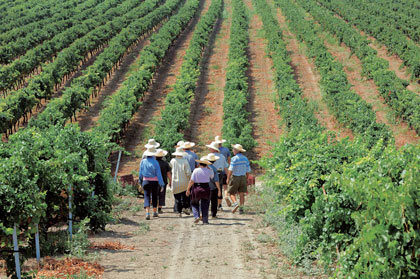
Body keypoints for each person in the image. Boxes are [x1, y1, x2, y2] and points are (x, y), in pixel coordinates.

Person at [139, 147, 165, 220]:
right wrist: (162, 184)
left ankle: (147, 213)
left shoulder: (143, 162)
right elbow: (159, 174)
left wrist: (140, 181)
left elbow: (140, 173)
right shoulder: (156, 162)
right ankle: (154, 212)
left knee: (146, 196)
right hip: (154, 182)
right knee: (154, 196)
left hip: (145, 181)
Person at [186, 157, 214, 224]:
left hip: (196, 188)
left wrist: (188, 189)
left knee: (194, 203)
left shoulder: (196, 170)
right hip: (206, 188)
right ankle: (205, 220)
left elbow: (192, 181)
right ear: (206, 164)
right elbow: (212, 177)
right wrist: (209, 168)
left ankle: (196, 216)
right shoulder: (209, 170)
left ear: (199, 163)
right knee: (205, 204)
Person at [226, 144, 251, 214]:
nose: (232, 150)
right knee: (242, 194)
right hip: (243, 177)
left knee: (231, 193)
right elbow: (248, 170)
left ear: (237, 150)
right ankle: (241, 209)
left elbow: (230, 170)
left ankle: (235, 204)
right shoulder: (245, 159)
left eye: (233, 149)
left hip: (235, 177)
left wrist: (228, 178)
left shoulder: (234, 159)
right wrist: (247, 178)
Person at [205, 141, 229, 209]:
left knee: (210, 188)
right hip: (220, 173)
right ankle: (219, 205)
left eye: (210, 148)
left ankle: (209, 204)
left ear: (213, 149)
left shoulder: (209, 156)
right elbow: (225, 167)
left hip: (210, 173)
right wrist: (227, 177)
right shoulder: (222, 156)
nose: (209, 149)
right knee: (219, 189)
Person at [169, 147, 192, 217]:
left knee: (177, 198)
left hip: (175, 182)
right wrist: (191, 180)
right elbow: (188, 173)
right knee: (184, 197)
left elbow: (170, 168)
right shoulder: (185, 161)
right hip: (184, 182)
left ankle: (178, 212)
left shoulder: (172, 161)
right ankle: (184, 208)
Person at [205, 153, 222, 218]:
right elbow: (216, 180)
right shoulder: (214, 169)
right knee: (214, 202)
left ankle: (204, 214)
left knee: (205, 202)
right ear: (214, 161)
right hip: (212, 188)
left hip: (205, 187)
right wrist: (219, 190)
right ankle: (213, 215)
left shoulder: (204, 167)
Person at [155, 149, 171, 214]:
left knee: (155, 194)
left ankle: (154, 208)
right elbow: (168, 173)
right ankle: (159, 208)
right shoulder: (165, 163)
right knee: (162, 195)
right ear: (162, 156)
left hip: (155, 181)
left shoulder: (154, 163)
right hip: (163, 182)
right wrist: (170, 181)